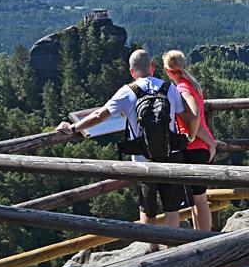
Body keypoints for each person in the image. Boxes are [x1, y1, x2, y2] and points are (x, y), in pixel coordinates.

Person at [55, 49, 197, 242]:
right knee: (172, 209)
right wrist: (190, 137)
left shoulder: (127, 91)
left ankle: (152, 251)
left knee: (148, 209)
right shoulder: (168, 87)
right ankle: (172, 249)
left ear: (132, 71)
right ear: (153, 68)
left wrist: (73, 127)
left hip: (142, 161)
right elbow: (188, 116)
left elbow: (99, 115)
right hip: (171, 156)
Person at [163, 50, 217, 232]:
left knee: (199, 198)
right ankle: (200, 236)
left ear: (167, 70)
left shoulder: (182, 88)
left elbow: (194, 117)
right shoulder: (193, 84)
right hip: (201, 147)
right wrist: (209, 142)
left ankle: (203, 239)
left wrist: (193, 136)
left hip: (194, 147)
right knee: (197, 197)